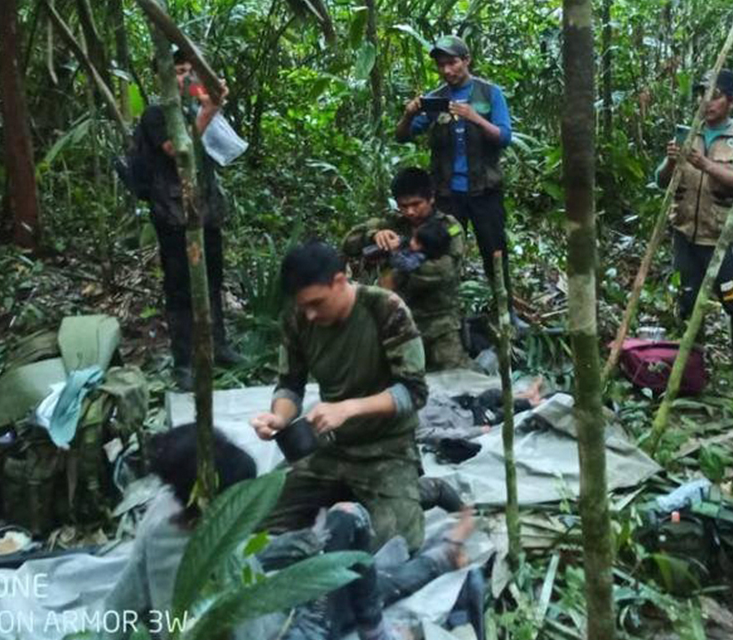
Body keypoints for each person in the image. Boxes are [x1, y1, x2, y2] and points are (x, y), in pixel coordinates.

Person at [102, 425, 474, 640]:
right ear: (217, 503)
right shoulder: (210, 556)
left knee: (345, 547)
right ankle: (440, 561)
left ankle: (436, 558)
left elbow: (124, 598)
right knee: (358, 555)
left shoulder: (164, 514)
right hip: (286, 631)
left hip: (263, 603)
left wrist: (304, 545)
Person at [250, 242, 428, 552]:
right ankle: (345, 496)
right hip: (330, 449)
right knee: (252, 521)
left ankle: (424, 490)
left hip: (387, 449)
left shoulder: (385, 308)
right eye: (303, 305)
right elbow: (290, 384)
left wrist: (348, 409)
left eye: (317, 303)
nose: (310, 313)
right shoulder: (298, 317)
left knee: (398, 544)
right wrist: (279, 417)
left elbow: (413, 392)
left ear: (340, 281)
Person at [395, 36, 524, 331]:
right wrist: (409, 113)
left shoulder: (489, 94)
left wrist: (474, 117)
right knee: (441, 251)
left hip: (485, 193)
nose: (447, 70)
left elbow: (504, 137)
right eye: (441, 65)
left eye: (452, 62)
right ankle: (443, 315)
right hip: (447, 194)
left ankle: (506, 312)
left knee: (495, 250)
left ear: (466, 60)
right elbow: (403, 136)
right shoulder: (436, 98)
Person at [136, 49, 244, 391]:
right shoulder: (157, 114)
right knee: (180, 288)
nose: (185, 77)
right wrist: (209, 108)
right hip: (174, 216)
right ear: (163, 77)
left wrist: (213, 99)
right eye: (178, 71)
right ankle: (183, 362)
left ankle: (219, 344)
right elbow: (178, 150)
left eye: (189, 70)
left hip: (206, 211)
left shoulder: (196, 106)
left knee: (212, 280)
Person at [655, 69, 733, 391]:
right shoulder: (690, 134)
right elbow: (661, 181)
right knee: (687, 304)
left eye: (714, 95)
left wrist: (706, 165)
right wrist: (673, 161)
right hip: (686, 235)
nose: (706, 101)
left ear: (731, 102)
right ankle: (694, 371)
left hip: (724, 238)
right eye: (702, 94)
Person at [343, 168, 471, 371]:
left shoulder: (449, 227)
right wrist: (374, 235)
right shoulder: (392, 223)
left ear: (431, 199)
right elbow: (349, 243)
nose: (410, 211)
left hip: (439, 323)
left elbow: (445, 271)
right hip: (396, 321)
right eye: (404, 206)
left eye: (416, 204)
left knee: (457, 382)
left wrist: (399, 262)